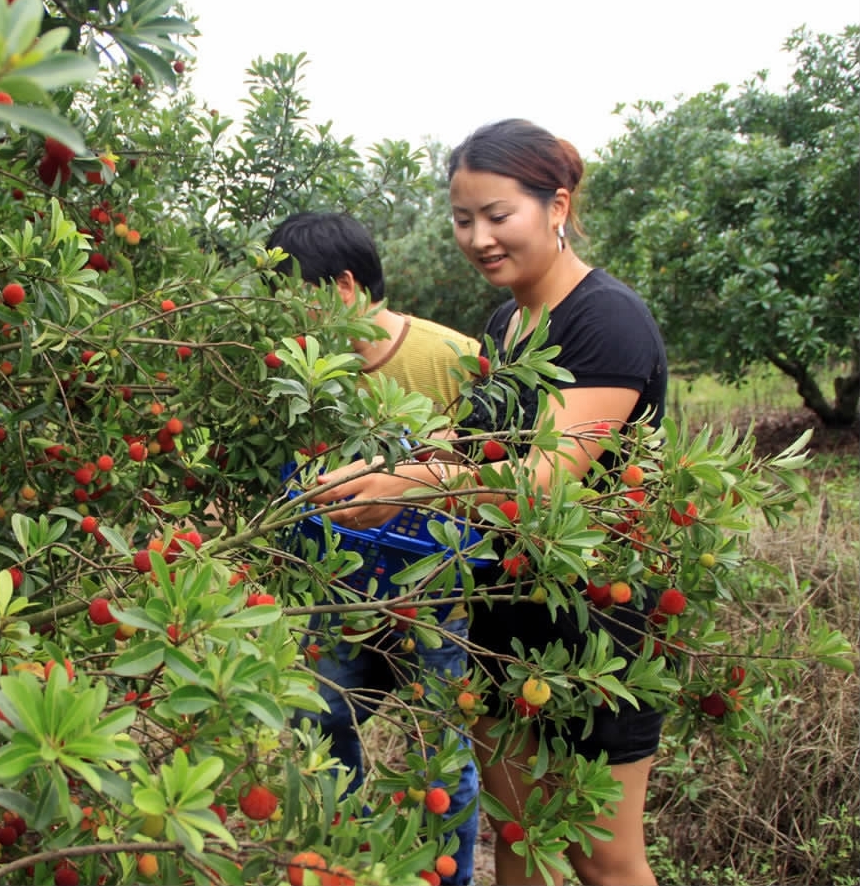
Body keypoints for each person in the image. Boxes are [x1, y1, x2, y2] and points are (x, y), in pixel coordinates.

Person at [307, 120, 667, 886]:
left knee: (604, 860)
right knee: (517, 832)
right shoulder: (506, 323)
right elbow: (479, 453)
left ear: (555, 205)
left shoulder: (605, 320)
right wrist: (389, 464)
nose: (477, 237)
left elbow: (545, 479)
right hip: (503, 610)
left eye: (496, 215)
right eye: (462, 219)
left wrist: (406, 484)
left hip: (592, 626)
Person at [268, 211, 482, 886]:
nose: (284, 318)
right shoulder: (302, 375)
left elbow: (495, 475)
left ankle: (449, 876)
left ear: (344, 285)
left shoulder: (455, 357)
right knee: (321, 718)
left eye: (293, 296)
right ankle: (348, 866)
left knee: (444, 751)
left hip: (435, 587)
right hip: (340, 586)